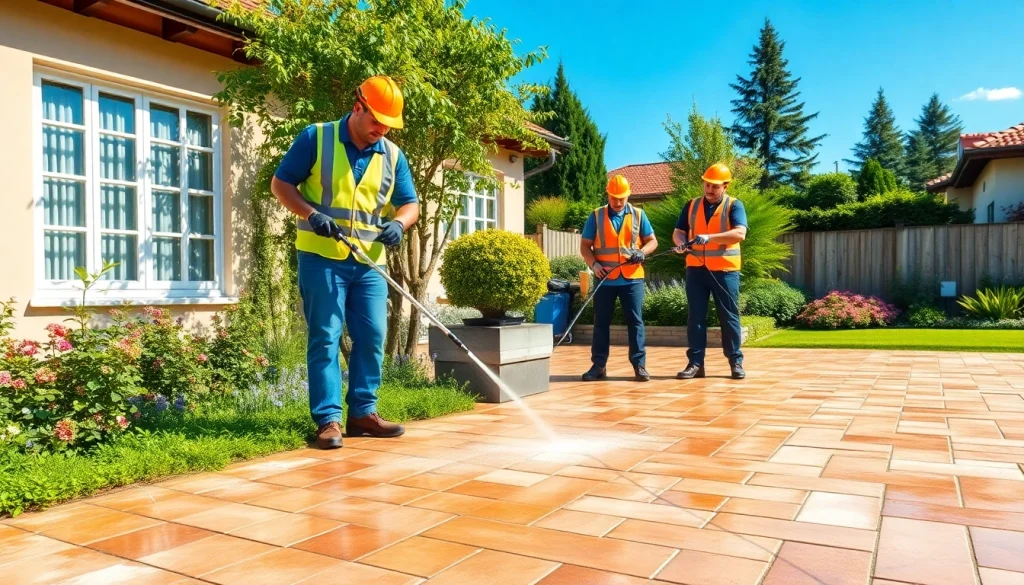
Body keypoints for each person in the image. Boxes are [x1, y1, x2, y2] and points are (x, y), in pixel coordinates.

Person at [270, 76, 420, 449]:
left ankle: (363, 413)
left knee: (372, 336)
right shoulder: (316, 138)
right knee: (326, 336)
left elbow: (410, 204)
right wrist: (311, 213)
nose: (381, 130)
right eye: (377, 121)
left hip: (369, 262)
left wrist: (400, 224)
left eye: (388, 124)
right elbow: (281, 184)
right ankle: (328, 420)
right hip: (321, 257)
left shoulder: (393, 155)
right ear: (357, 107)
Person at [579, 174, 658, 382]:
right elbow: (585, 247)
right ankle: (599, 366)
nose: (618, 202)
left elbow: (652, 241)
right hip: (604, 279)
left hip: (632, 279)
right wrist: (594, 265)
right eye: (614, 197)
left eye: (622, 198)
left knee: (635, 321)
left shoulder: (639, 215)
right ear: (608, 195)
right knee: (601, 322)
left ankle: (639, 366)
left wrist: (642, 252)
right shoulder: (596, 216)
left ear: (628, 195)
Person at [673, 163, 748, 380]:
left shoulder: (734, 205)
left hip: (725, 270)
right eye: (707, 185)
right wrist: (681, 243)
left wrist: (710, 238)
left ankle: (735, 362)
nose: (710, 189)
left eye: (715, 186)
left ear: (725, 186)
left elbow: (740, 233)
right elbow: (678, 232)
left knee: (729, 317)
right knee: (695, 318)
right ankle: (696, 364)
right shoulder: (691, 205)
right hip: (696, 270)